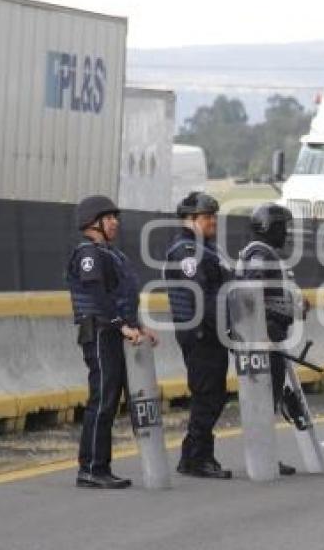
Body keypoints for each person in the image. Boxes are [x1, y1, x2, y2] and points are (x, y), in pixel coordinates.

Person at [66, 195, 158, 489]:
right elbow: (97, 298)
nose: (115, 222)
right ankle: (92, 468)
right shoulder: (88, 254)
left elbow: (122, 298)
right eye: (108, 218)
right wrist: (122, 327)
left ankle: (99, 466)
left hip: (114, 332)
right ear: (93, 224)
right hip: (101, 334)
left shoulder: (112, 254)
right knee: (103, 401)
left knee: (111, 400)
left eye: (115, 217)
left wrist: (139, 326)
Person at [164, 192, 233, 479]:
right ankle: (196, 458)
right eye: (207, 217)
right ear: (190, 220)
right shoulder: (188, 252)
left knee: (213, 395)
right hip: (201, 333)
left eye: (214, 216)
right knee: (207, 396)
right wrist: (227, 329)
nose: (213, 221)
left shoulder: (206, 249)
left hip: (211, 333)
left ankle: (197, 455)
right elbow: (201, 299)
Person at [236, 202, 300, 476]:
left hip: (268, 332)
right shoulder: (260, 254)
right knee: (265, 396)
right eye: (282, 227)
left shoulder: (263, 252)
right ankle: (265, 455)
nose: (286, 233)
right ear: (269, 228)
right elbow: (252, 292)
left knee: (269, 396)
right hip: (265, 334)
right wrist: (261, 331)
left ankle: (267, 454)